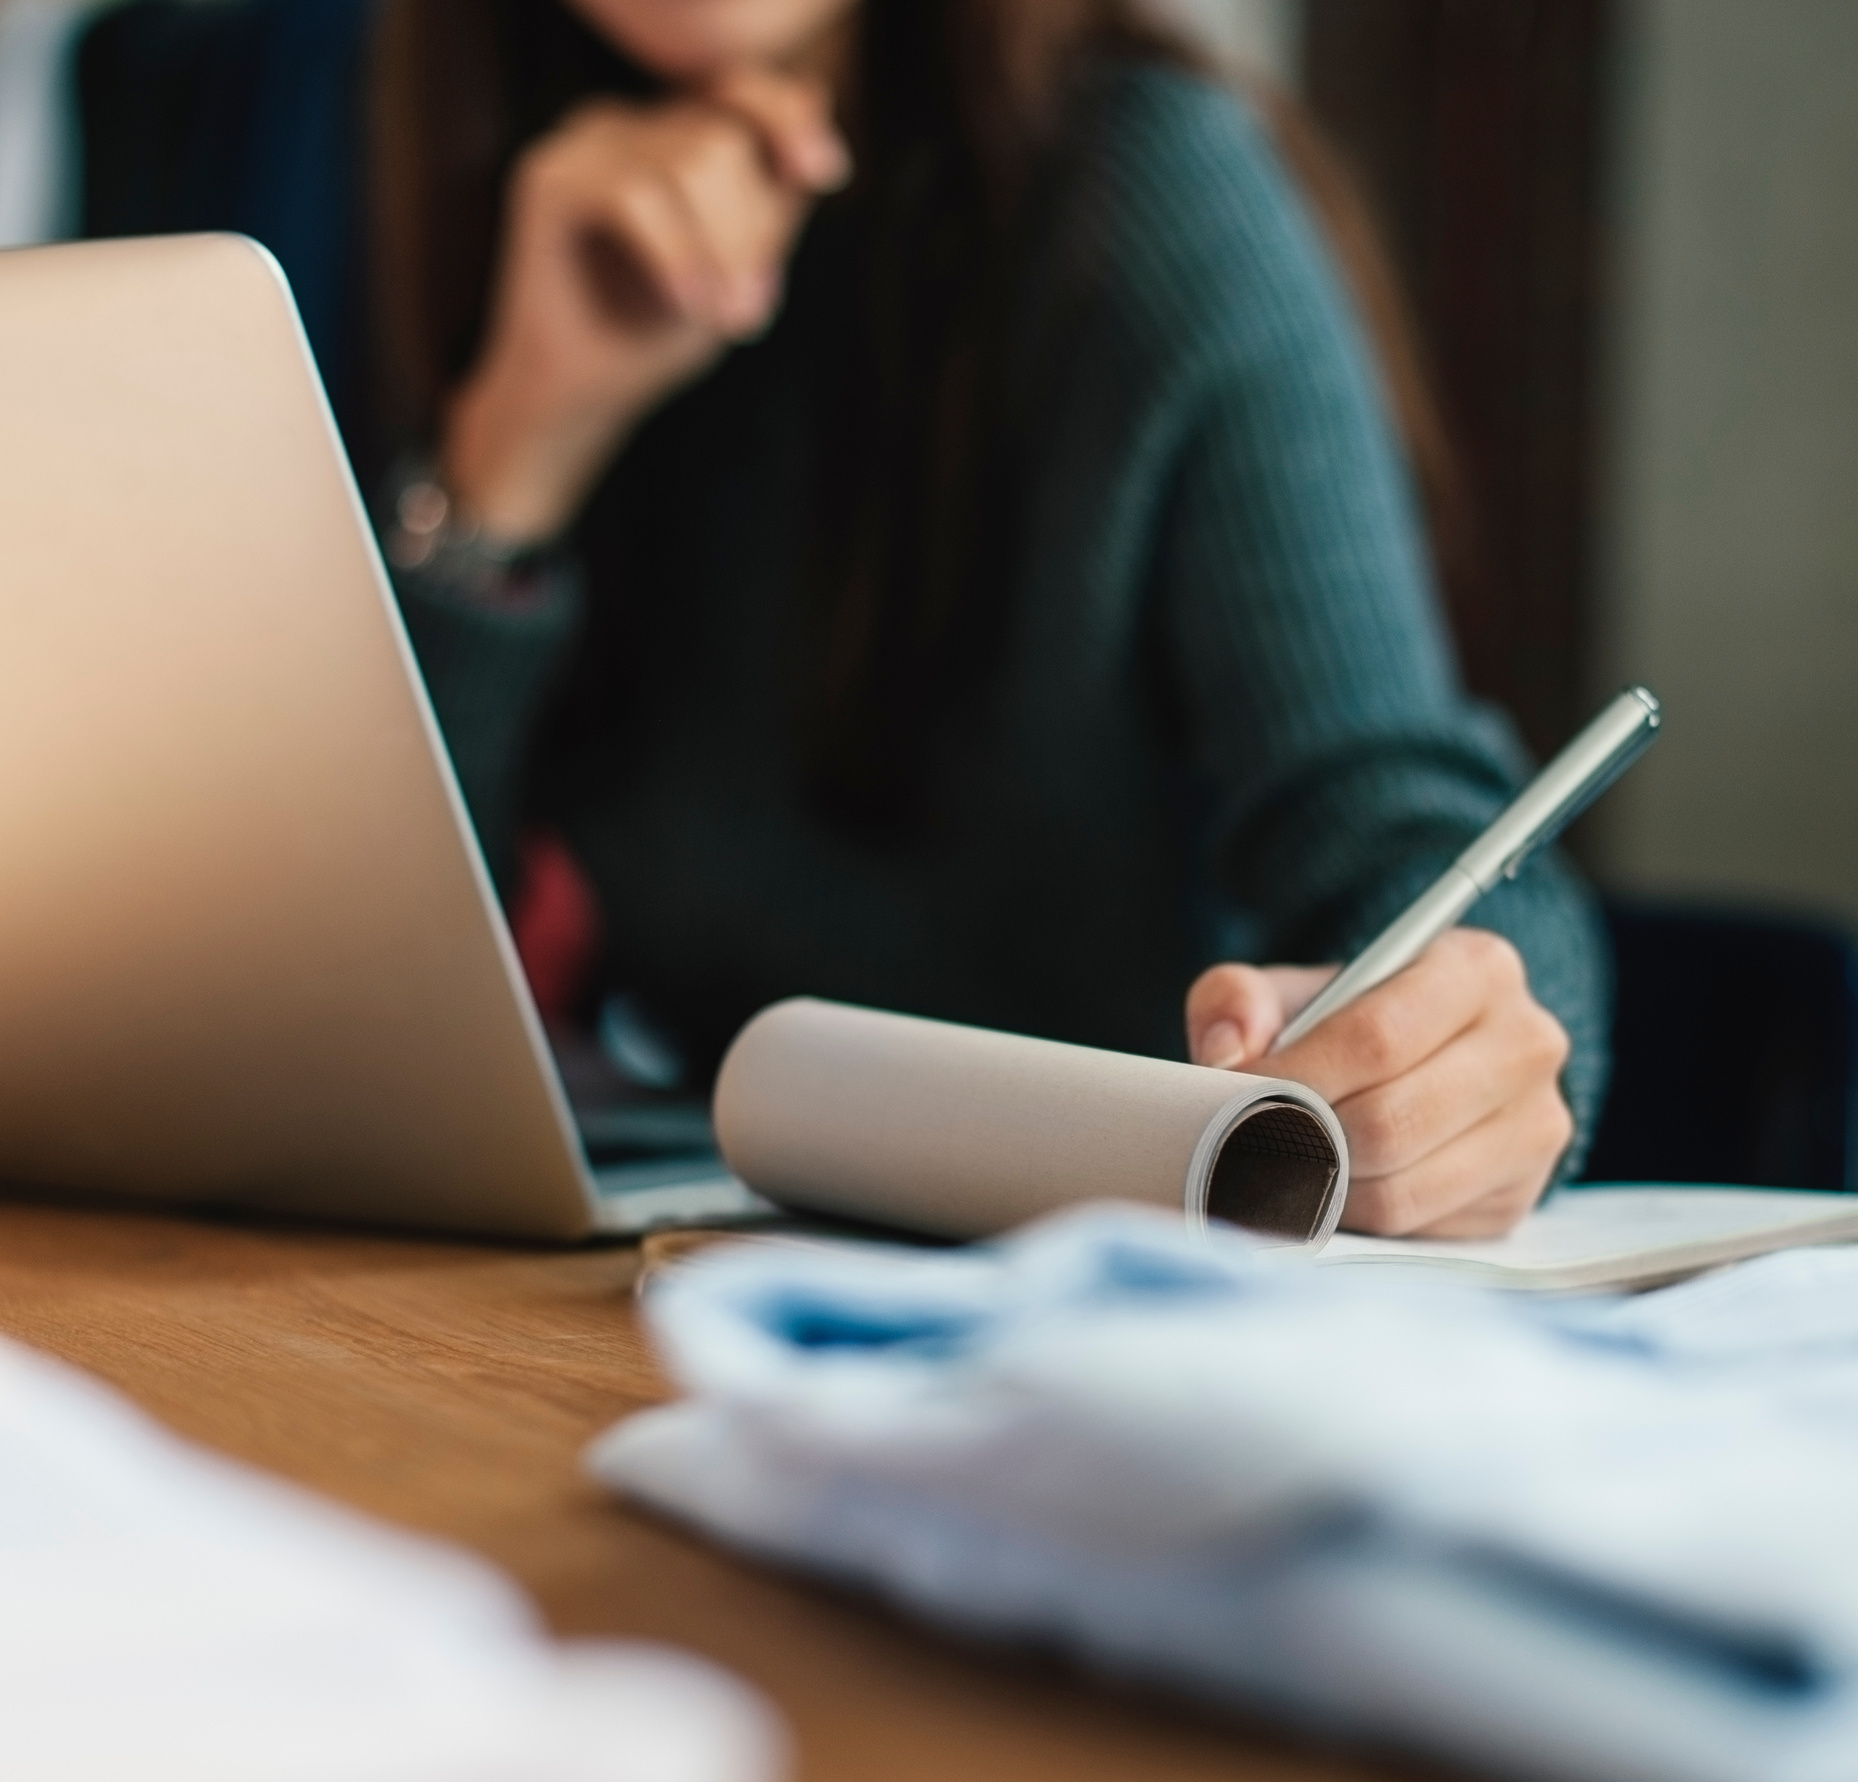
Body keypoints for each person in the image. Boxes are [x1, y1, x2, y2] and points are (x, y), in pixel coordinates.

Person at [71, 0, 1609, 1238]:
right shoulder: (457, 179)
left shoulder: (1151, 197)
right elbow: (347, 992)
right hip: (721, 1268)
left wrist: (1479, 1030)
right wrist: (513, 454)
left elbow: (1406, 821)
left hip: (1128, 1299)